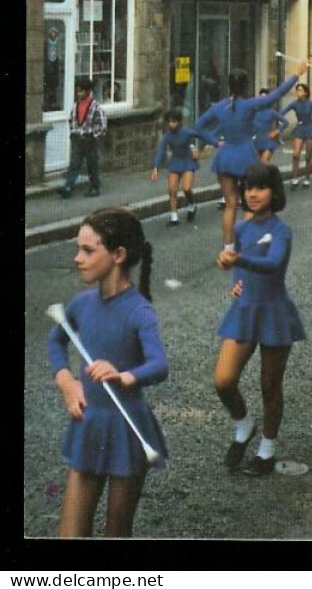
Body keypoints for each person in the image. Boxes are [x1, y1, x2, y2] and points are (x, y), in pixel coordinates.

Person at [47, 209, 168, 538]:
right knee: (70, 534)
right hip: (89, 425)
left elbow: (159, 364)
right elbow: (56, 342)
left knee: (116, 532)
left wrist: (125, 375)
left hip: (127, 429)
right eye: (78, 249)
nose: (78, 259)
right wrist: (66, 382)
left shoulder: (139, 310)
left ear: (118, 255)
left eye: (88, 251)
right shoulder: (81, 304)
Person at [214, 163, 306, 476]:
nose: (252, 194)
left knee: (270, 385)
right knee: (223, 381)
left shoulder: (282, 231)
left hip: (274, 311)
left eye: (260, 188)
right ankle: (243, 425)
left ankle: (266, 451)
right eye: (248, 188)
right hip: (246, 309)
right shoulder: (240, 229)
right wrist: (236, 279)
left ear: (273, 192)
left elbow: (274, 263)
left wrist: (240, 260)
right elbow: (238, 265)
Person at [193, 64, 307, 248]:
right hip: (246, 157)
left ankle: (228, 247)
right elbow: (275, 95)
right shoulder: (249, 105)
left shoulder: (219, 107)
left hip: (225, 156)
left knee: (230, 205)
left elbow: (197, 126)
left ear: (228, 85)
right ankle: (246, 244)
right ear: (246, 86)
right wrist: (296, 74)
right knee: (249, 204)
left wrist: (215, 142)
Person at [151, 109, 218, 227]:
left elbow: (202, 135)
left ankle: (192, 205)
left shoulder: (186, 132)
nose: (171, 124)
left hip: (187, 161)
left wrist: (215, 144)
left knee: (186, 188)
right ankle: (174, 217)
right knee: (172, 190)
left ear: (179, 122)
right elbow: (161, 150)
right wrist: (156, 167)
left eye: (174, 121)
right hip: (175, 162)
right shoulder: (167, 136)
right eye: (169, 122)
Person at [58, 77, 107, 199]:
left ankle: (95, 187)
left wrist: (93, 135)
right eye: (77, 91)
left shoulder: (96, 107)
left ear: (88, 91)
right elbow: (72, 120)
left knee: (92, 164)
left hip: (89, 139)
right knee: (74, 163)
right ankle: (68, 187)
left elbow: (102, 125)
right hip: (77, 139)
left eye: (81, 91)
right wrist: (74, 132)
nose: (78, 93)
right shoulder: (76, 106)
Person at [280, 84, 312, 188]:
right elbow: (282, 112)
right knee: (296, 155)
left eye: (300, 90)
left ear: (305, 92)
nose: (298, 92)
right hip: (300, 128)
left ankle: (307, 178)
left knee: (308, 156)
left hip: (310, 128)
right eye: (297, 90)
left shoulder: (311, 103)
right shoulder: (294, 104)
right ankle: (295, 178)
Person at [252, 90, 290, 167]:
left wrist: (277, 131)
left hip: (268, 141)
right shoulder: (254, 111)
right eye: (260, 97)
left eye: (265, 97)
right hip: (256, 141)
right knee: (256, 167)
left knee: (263, 164)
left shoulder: (271, 112)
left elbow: (285, 122)